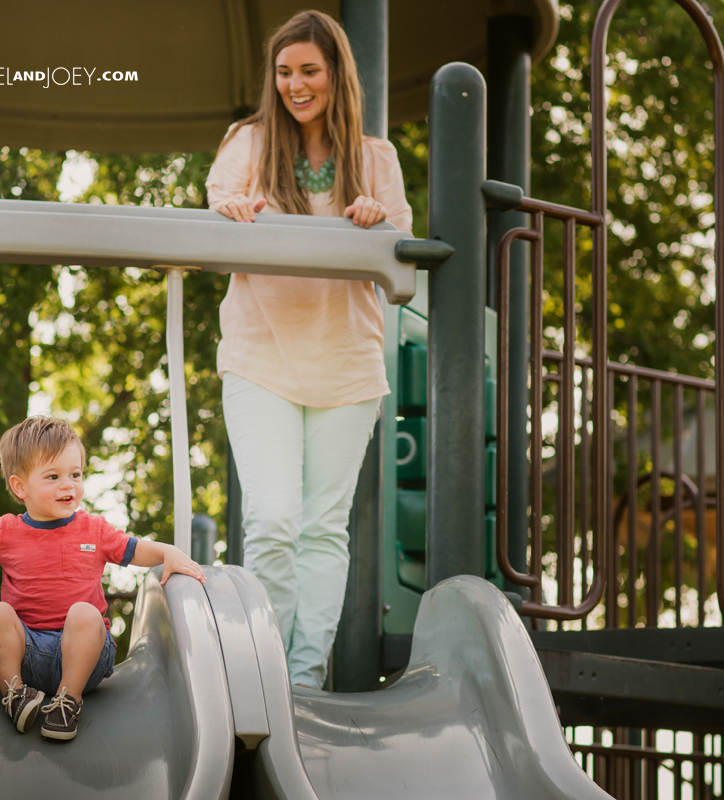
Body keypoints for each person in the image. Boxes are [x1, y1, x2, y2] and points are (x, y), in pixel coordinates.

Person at [206, 10, 412, 689]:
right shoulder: (250, 143)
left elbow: (403, 269)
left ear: (336, 75)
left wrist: (375, 225)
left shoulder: (375, 161)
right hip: (262, 355)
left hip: (346, 363)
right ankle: (262, 674)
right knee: (271, 519)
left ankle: (300, 682)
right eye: (285, 71)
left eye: (309, 71)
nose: (296, 84)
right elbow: (219, 205)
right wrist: (234, 212)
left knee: (324, 529)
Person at [0, 416, 205, 741]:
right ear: (19, 486)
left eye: (75, 474)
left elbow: (133, 550)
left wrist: (167, 553)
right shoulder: (8, 532)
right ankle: (16, 694)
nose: (68, 484)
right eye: (53, 476)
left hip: (85, 655)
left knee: (84, 613)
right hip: (28, 653)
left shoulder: (94, 529)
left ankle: (69, 701)